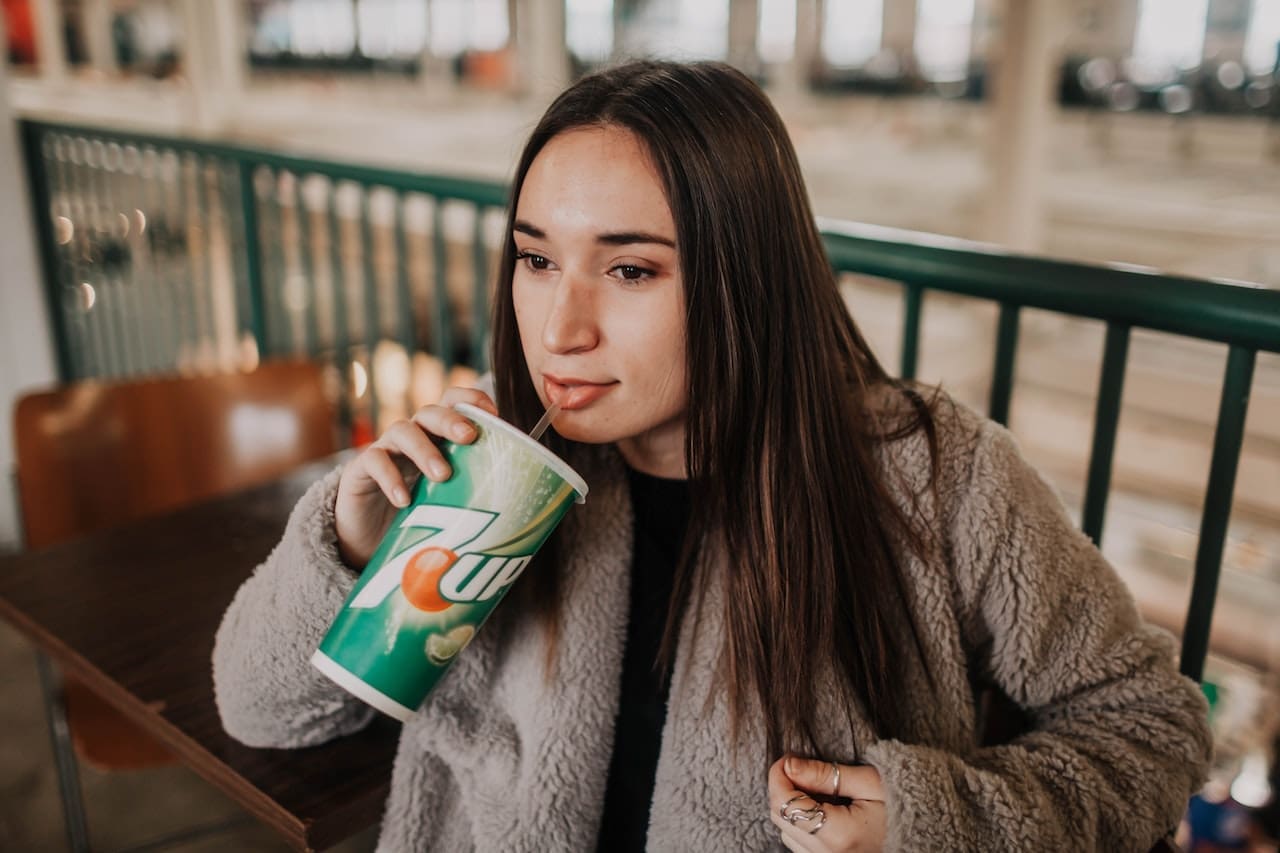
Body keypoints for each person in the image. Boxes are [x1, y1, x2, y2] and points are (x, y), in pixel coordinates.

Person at [213, 60, 1212, 851]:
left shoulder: (933, 474)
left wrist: (930, 821)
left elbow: (1148, 730)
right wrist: (350, 541)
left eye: (631, 268)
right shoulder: (493, 473)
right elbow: (261, 710)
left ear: (745, 277)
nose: (560, 326)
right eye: (535, 258)